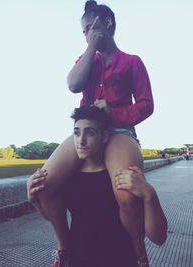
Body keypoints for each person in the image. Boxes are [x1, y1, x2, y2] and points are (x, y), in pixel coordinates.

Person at [34, 0, 154, 264]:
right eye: (84, 31)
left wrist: (113, 113)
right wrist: (90, 46)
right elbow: (73, 85)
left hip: (120, 131)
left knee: (126, 196)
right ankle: (64, 245)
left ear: (107, 22)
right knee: (44, 185)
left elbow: (147, 105)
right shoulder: (87, 59)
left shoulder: (132, 62)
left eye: (90, 27)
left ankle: (138, 251)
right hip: (87, 129)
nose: (87, 33)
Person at [27, 106, 167, 267]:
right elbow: (52, 217)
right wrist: (34, 200)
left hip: (120, 260)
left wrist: (150, 195)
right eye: (77, 133)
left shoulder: (122, 179)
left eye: (90, 133)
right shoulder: (69, 178)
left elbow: (159, 238)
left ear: (105, 136)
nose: (81, 140)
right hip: (78, 260)